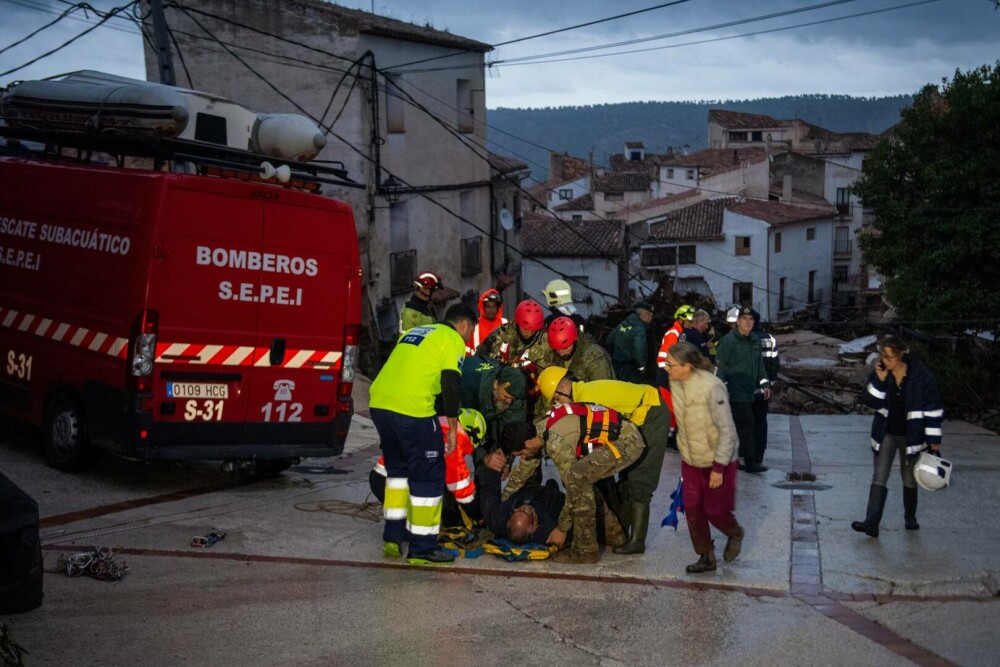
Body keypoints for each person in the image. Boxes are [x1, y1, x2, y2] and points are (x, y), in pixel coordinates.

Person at [368, 303, 476, 565]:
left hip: (379, 404)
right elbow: (451, 381)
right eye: (471, 330)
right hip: (412, 410)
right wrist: (452, 426)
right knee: (428, 476)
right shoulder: (452, 338)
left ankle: (392, 540)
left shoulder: (417, 332)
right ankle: (423, 548)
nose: (470, 336)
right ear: (463, 325)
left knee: (398, 474)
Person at [537, 367, 669, 554]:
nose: (558, 404)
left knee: (641, 478)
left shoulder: (591, 396)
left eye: (557, 399)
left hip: (651, 414)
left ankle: (637, 541)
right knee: (626, 475)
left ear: (565, 386)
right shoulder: (583, 395)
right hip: (637, 419)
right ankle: (622, 529)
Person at [499, 409, 645, 564]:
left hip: (628, 442)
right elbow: (523, 471)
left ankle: (585, 551)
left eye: (520, 454)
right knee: (580, 479)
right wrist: (502, 505)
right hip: (620, 437)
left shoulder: (559, 443)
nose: (522, 458)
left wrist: (562, 529)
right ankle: (615, 536)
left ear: (528, 443)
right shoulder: (538, 432)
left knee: (577, 480)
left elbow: (573, 490)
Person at [664, 342, 745, 574]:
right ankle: (706, 556)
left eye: (671, 365)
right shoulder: (675, 382)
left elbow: (727, 430)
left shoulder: (712, 387)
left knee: (715, 510)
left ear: (687, 365)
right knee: (693, 509)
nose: (667, 368)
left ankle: (734, 532)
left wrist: (719, 467)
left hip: (718, 459)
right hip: (690, 458)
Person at [852, 335, 943, 537]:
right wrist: (881, 381)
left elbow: (933, 410)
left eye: (889, 356)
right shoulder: (881, 373)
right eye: (882, 355)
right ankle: (871, 523)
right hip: (886, 433)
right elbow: (870, 401)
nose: (884, 360)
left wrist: (934, 440)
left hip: (912, 437)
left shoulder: (921, 376)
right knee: (879, 475)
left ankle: (910, 517)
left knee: (909, 478)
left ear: (900, 355)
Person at [369, 409, 485, 527]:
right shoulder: (453, 440)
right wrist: (477, 515)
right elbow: (460, 488)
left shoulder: (435, 425)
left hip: (383, 478)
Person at [480, 427, 566, 543]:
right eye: (527, 513)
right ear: (535, 526)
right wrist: (564, 530)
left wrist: (494, 464)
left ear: (509, 519)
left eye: (518, 510)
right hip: (555, 496)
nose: (525, 508)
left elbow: (489, 491)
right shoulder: (547, 529)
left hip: (527, 487)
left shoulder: (499, 518)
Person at [715, 306, 771, 474]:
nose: (748, 322)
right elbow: (720, 367)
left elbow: (759, 365)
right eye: (744, 319)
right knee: (747, 425)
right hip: (735, 389)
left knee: (740, 426)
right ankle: (750, 462)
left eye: (751, 320)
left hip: (749, 391)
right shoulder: (729, 341)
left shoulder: (754, 340)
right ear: (737, 322)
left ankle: (735, 458)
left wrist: (765, 383)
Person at [747, 308, 779, 468]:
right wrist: (770, 384)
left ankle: (748, 457)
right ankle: (759, 455)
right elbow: (774, 365)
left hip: (745, 392)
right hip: (763, 391)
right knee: (761, 422)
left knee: (746, 423)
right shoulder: (770, 339)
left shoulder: (745, 339)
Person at [546, 316, 614, 382]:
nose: (561, 353)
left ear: (576, 339)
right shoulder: (556, 354)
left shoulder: (595, 358)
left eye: (565, 348)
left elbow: (602, 390)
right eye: (557, 349)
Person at [606, 301, 653, 383]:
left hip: (616, 365)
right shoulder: (639, 329)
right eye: (650, 315)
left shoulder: (624, 323)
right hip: (630, 368)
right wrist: (641, 367)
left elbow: (609, 339)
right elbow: (639, 350)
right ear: (646, 314)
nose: (651, 319)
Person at [655, 304, 695, 386]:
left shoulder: (682, 334)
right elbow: (663, 357)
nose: (691, 325)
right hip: (666, 374)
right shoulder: (674, 333)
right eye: (689, 321)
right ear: (681, 320)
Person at [465, 289, 506, 356]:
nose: (491, 310)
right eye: (488, 306)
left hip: (501, 365)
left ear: (498, 307)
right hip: (478, 364)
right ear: (483, 307)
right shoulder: (474, 325)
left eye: (494, 306)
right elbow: (466, 350)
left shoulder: (505, 323)